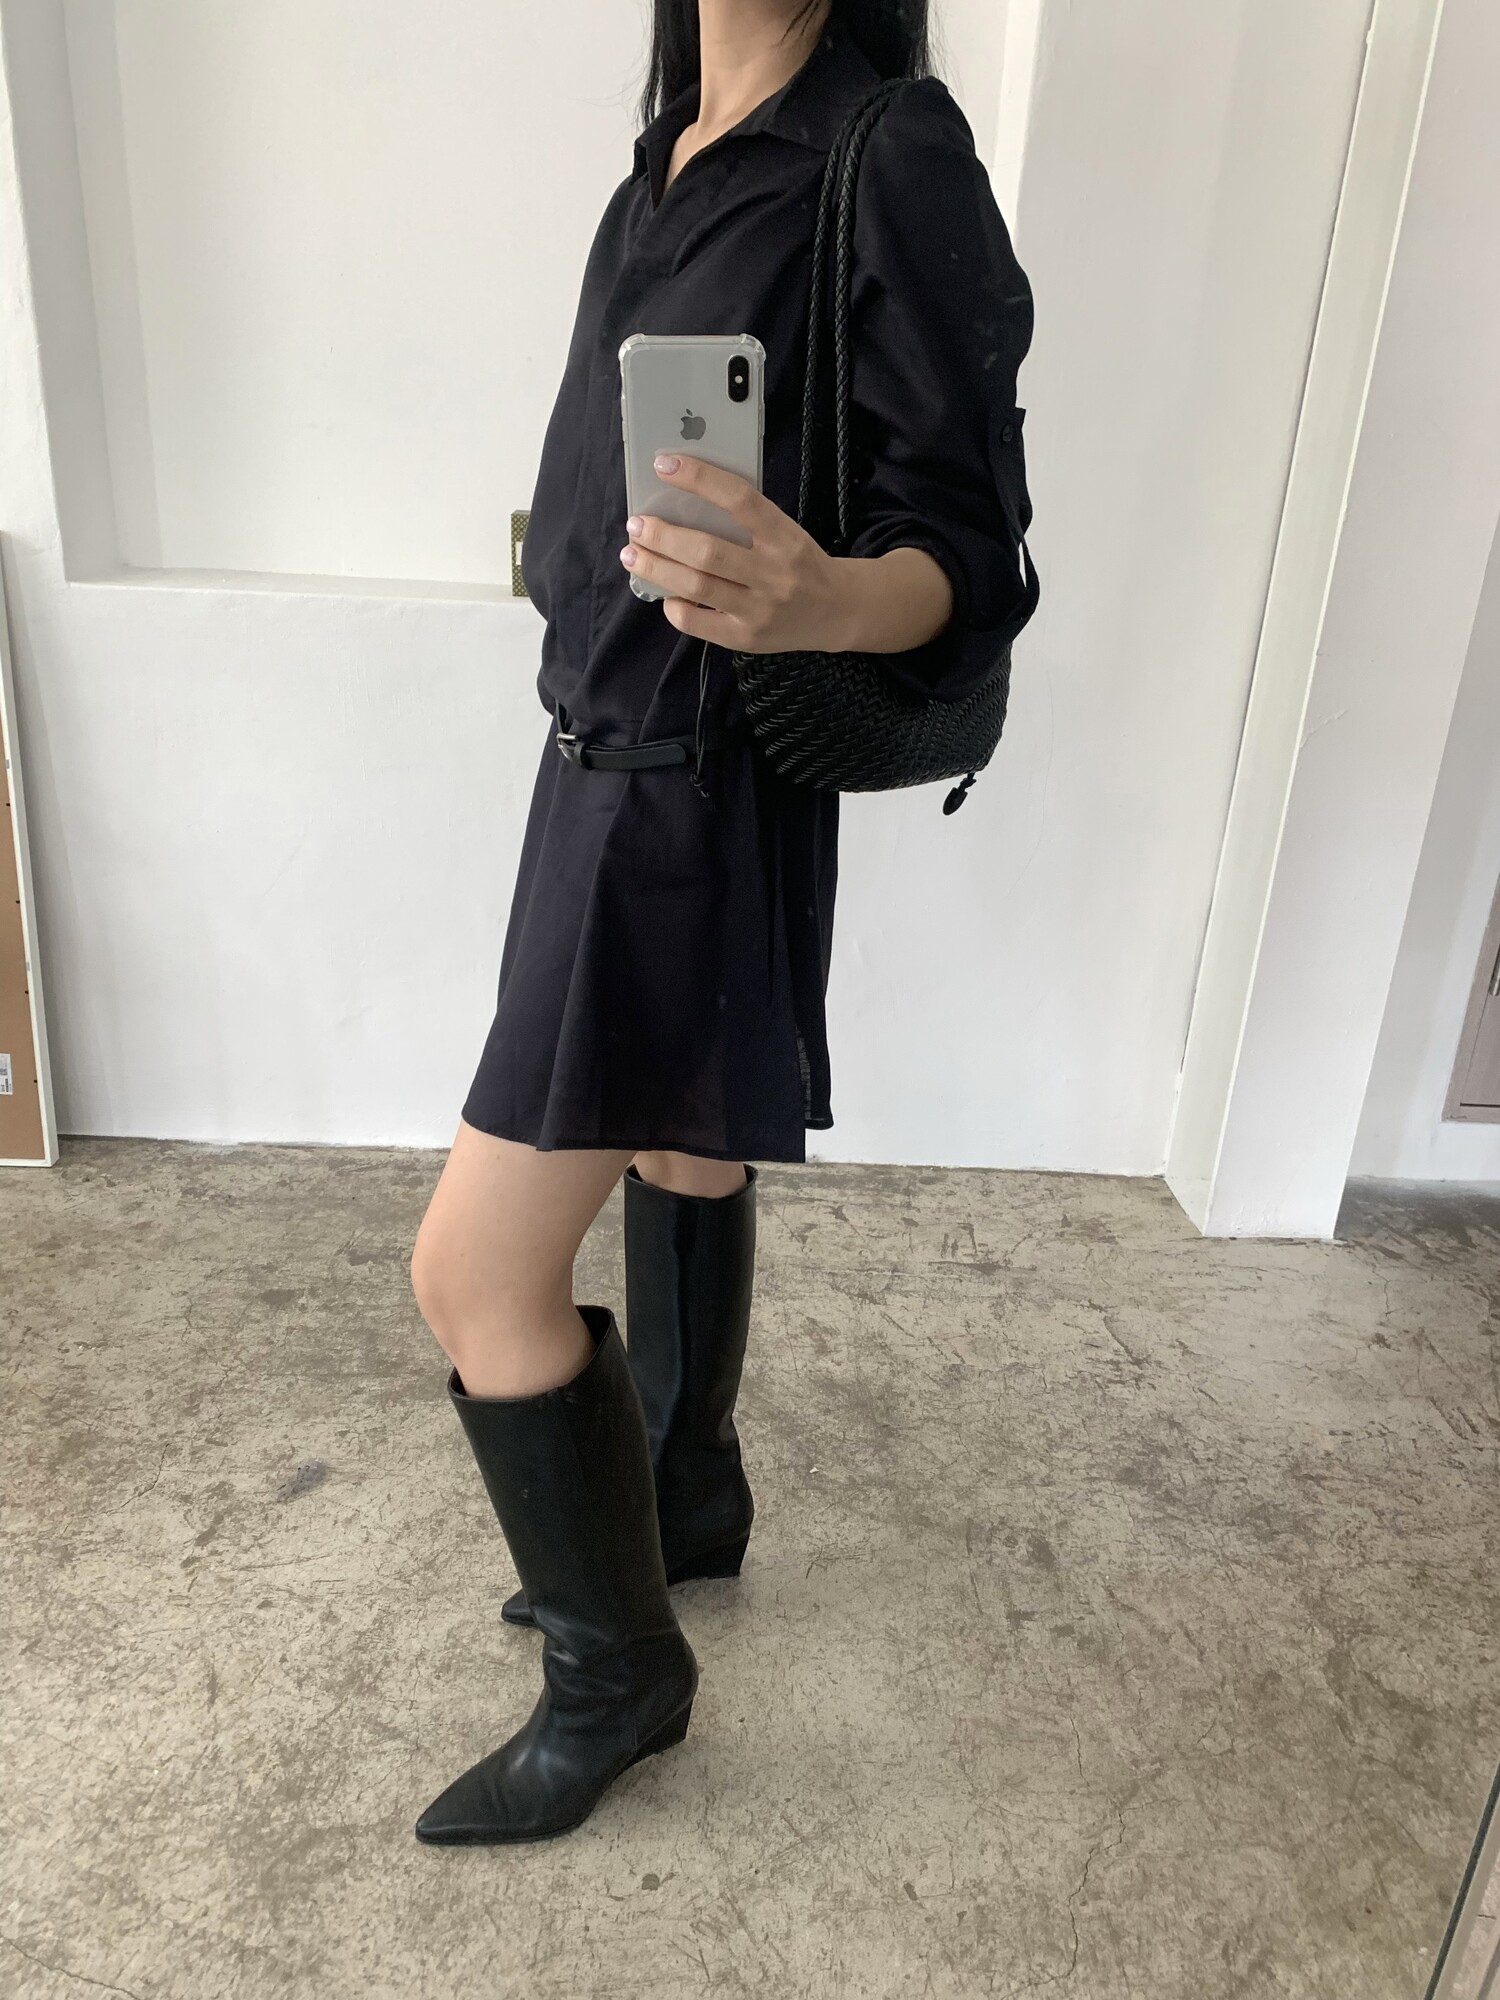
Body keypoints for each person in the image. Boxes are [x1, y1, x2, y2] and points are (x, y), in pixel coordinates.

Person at [409, 0, 1035, 1845]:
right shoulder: (666, 153)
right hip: (602, 759)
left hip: (680, 794)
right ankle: (685, 1499)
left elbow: (970, 551)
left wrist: (824, 597)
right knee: (686, 1139)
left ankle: (617, 1676)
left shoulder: (890, 149)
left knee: (471, 1275)